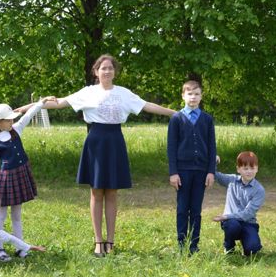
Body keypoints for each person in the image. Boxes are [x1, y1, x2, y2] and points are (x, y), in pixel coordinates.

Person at [40, 55, 175, 257]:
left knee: (112, 192)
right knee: (96, 192)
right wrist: (29, 107)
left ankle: (110, 241)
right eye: (103, 68)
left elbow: (147, 105)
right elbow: (59, 103)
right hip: (95, 141)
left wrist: (175, 113)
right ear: (96, 72)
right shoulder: (88, 92)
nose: (107, 71)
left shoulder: (124, 94)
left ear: (114, 72)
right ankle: (98, 241)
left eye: (110, 68)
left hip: (115, 142)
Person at [0, 97, 53, 262]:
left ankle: (21, 248)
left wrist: (41, 103)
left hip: (20, 176)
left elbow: (27, 115)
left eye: (12, 118)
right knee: (0, 216)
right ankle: (0, 250)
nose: (12, 120)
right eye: (8, 119)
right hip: (6, 180)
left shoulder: (16, 130)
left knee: (17, 215)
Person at [167, 79, 216, 255]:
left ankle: (194, 245)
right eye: (190, 94)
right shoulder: (177, 119)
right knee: (182, 208)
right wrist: (173, 172)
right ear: (183, 96)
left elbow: (212, 147)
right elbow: (171, 148)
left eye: (196, 94)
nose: (193, 97)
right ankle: (182, 244)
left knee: (196, 209)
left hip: (201, 171)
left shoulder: (207, 119)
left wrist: (211, 171)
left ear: (201, 96)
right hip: (182, 171)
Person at [212, 152, 264, 256]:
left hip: (248, 223)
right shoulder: (231, 180)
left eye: (252, 168)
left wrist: (226, 216)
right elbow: (214, 175)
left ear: (257, 169)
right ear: (238, 169)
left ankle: (247, 242)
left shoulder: (259, 190)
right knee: (232, 225)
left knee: (253, 249)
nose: (249, 171)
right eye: (245, 168)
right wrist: (214, 161)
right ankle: (229, 246)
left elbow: (248, 214)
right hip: (231, 222)